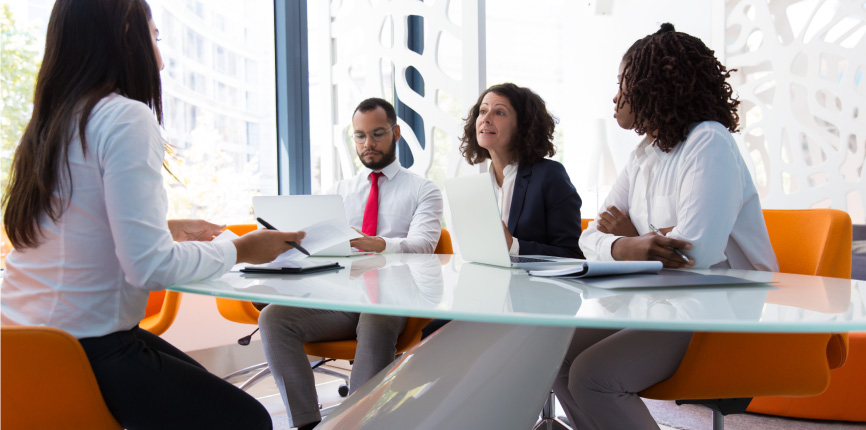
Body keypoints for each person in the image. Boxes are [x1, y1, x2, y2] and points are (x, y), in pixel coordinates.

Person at [0, 1, 304, 429]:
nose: (160, 60)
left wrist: (168, 228)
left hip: (18, 342)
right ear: (128, 33)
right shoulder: (124, 116)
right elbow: (149, 267)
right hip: (86, 348)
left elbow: (71, 229)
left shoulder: (51, 123)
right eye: (156, 37)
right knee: (247, 420)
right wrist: (241, 249)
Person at [554, 23, 779, 429]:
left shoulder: (709, 142)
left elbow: (693, 253)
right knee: (552, 357)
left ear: (652, 85)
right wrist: (632, 244)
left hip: (722, 314)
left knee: (593, 376)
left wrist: (627, 238)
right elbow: (589, 237)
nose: (615, 95)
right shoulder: (644, 154)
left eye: (623, 82)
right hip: (665, 304)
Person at [258, 97, 443, 430]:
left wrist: (381, 244)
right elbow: (320, 247)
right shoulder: (339, 191)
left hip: (395, 300)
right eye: (359, 136)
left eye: (377, 133)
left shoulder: (423, 189)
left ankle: (354, 424)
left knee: (375, 317)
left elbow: (426, 246)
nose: (367, 144)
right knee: (273, 316)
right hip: (343, 298)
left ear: (396, 133)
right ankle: (305, 423)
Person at [422, 83, 584, 338]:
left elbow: (573, 256)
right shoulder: (477, 185)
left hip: (531, 310)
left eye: (499, 112)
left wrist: (513, 246)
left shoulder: (549, 176)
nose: (485, 118)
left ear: (523, 125)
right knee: (428, 340)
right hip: (485, 301)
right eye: (482, 111)